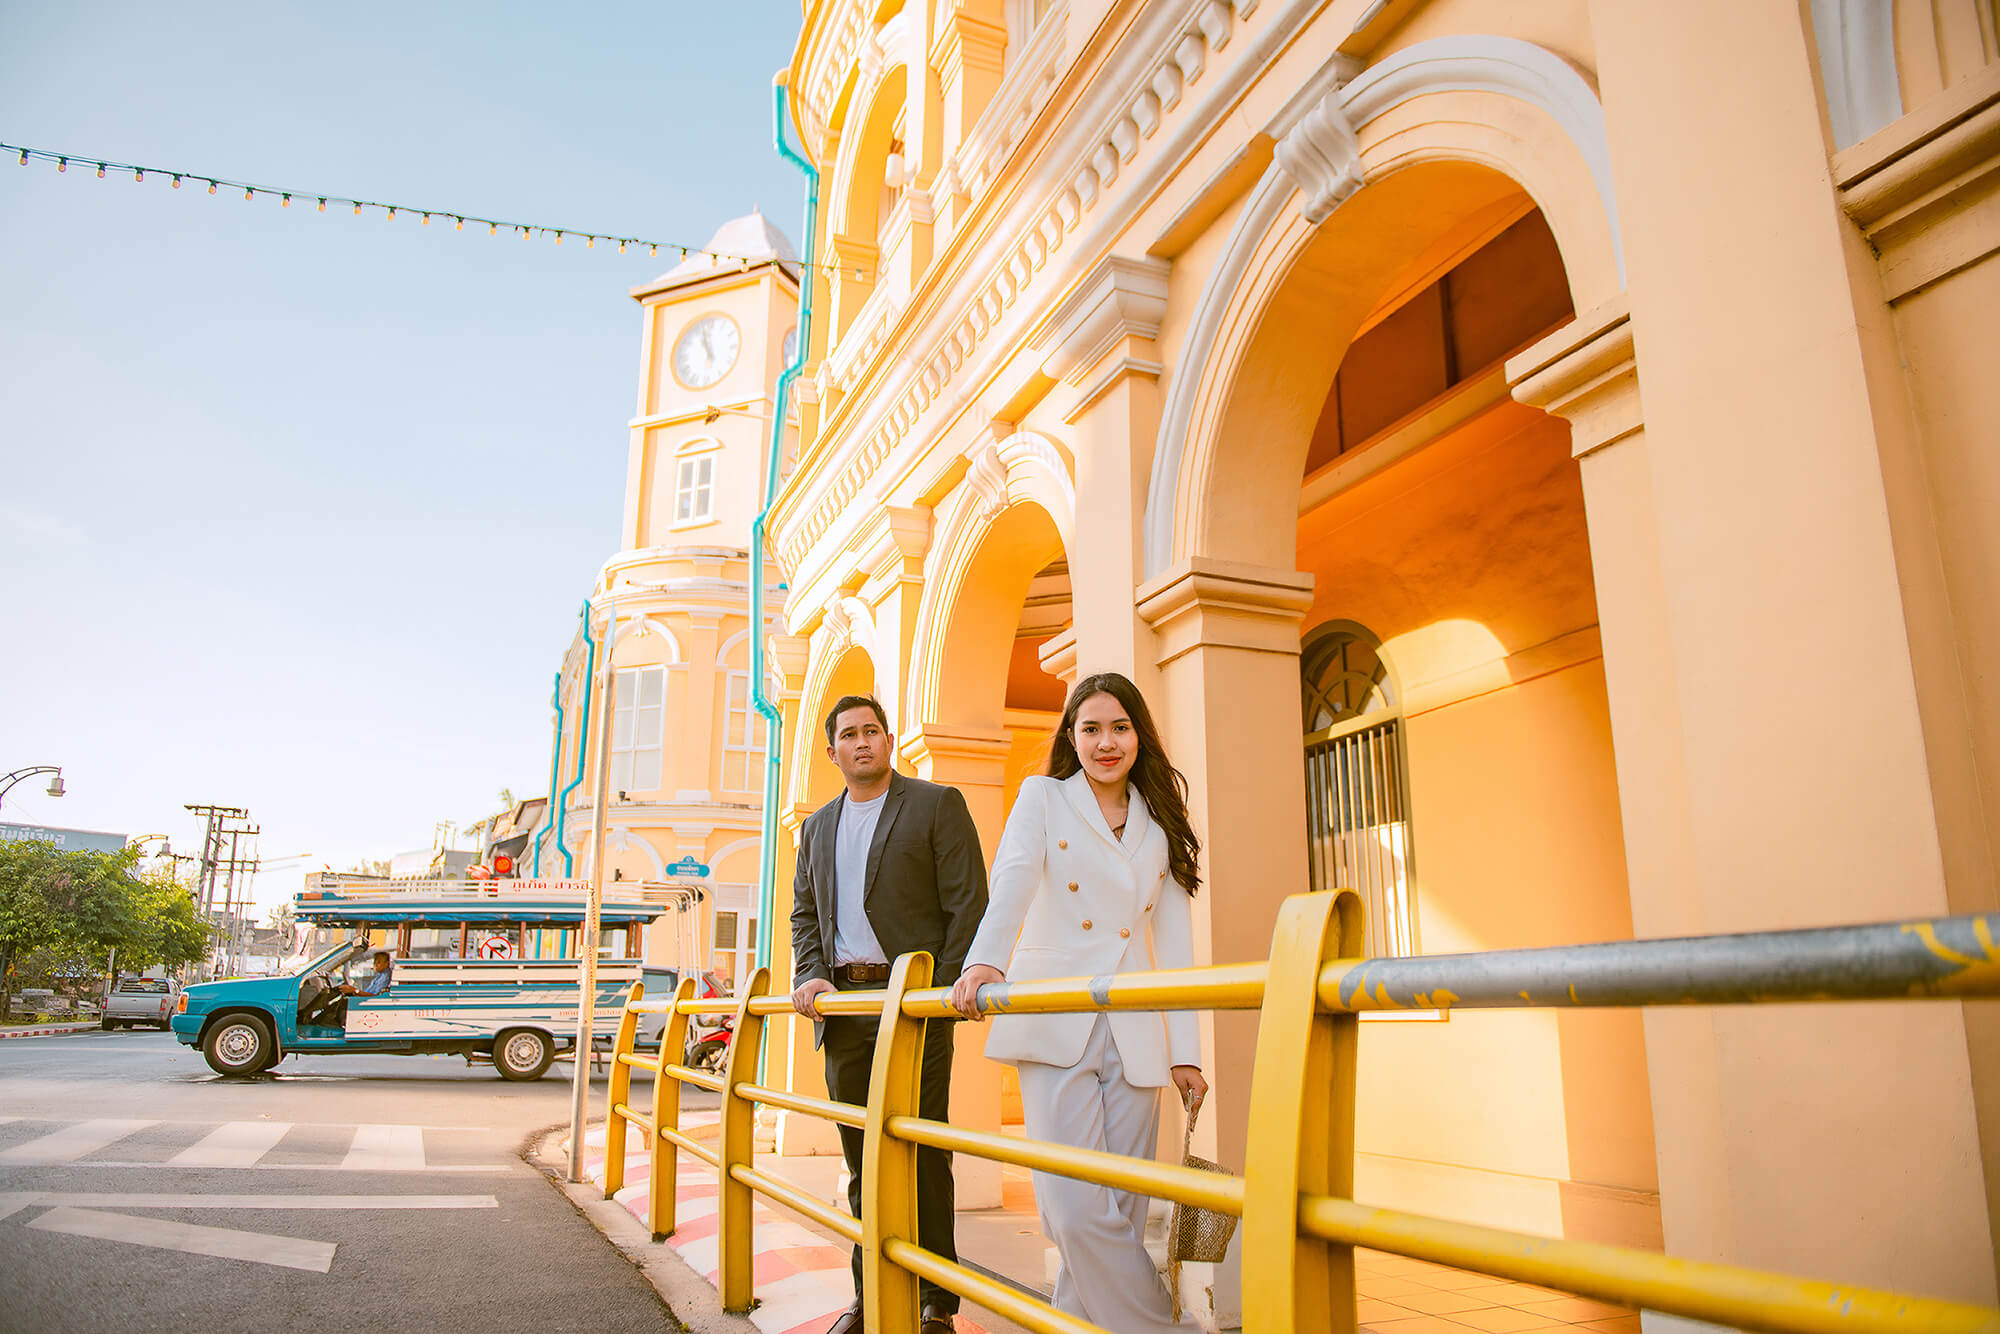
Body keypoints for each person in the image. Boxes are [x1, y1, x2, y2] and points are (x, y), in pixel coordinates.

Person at [950, 671, 1209, 1334]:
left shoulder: (1162, 823)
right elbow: (1010, 878)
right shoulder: (1043, 797)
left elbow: (1174, 946)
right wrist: (986, 959)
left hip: (1135, 1031)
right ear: (1071, 736)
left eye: (1119, 727)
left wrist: (1186, 1053)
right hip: (1055, 1013)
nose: (1105, 742)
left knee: (1119, 1212)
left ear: (1139, 736)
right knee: (1072, 1210)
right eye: (1090, 728)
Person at [790, 694, 989, 1334]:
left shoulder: (935, 805)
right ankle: (870, 1291)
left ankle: (937, 1305)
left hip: (914, 1007)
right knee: (861, 1156)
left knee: (923, 1149)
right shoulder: (817, 828)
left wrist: (943, 999)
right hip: (844, 1008)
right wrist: (809, 973)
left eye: (872, 731)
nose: (862, 742)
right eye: (849, 735)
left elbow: (969, 906)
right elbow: (803, 917)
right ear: (833, 752)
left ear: (888, 739)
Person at [309, 948, 393, 1026]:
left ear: (387, 963)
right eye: (374, 962)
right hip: (364, 1000)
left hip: (370, 1005)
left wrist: (355, 991)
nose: (375, 965)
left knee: (341, 1005)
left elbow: (375, 997)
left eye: (378, 962)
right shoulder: (380, 975)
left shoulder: (385, 976)